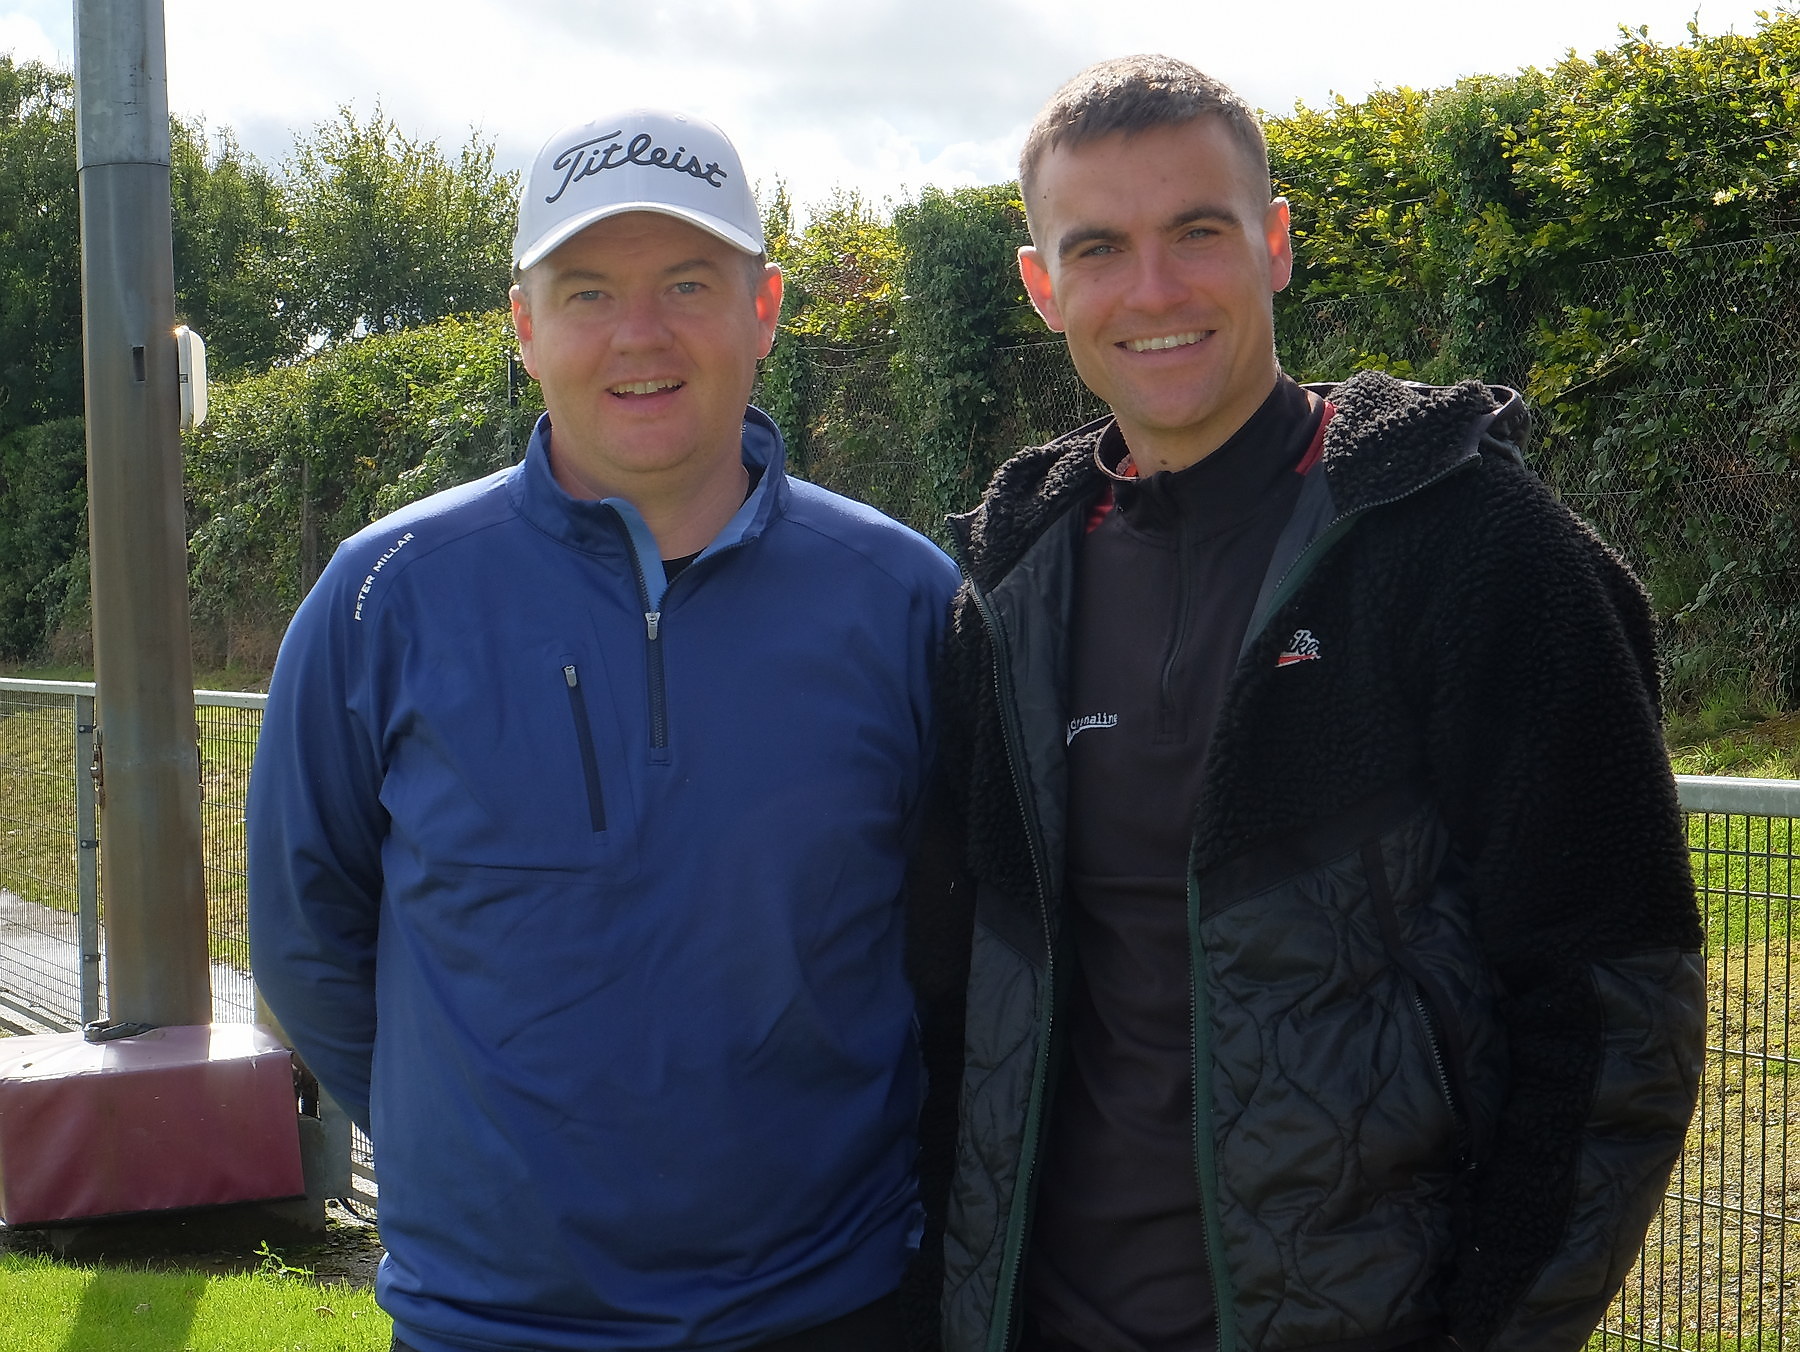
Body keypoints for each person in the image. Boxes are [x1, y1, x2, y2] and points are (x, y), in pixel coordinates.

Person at [929, 56, 1705, 1352]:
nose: (1156, 290)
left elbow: (1617, 1021)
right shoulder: (1005, 596)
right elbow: (949, 1014)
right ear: (1042, 285)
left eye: (1199, 232)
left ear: (1276, 245)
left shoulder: (1472, 552)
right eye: (1101, 248)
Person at [248, 107, 960, 1352]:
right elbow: (307, 940)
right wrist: (465, 1140)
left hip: (830, 1307)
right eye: (586, 292)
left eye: (688, 282)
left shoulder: (905, 597)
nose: (640, 334)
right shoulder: (381, 594)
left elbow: (953, 951)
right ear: (524, 327)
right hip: (487, 1323)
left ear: (765, 308)